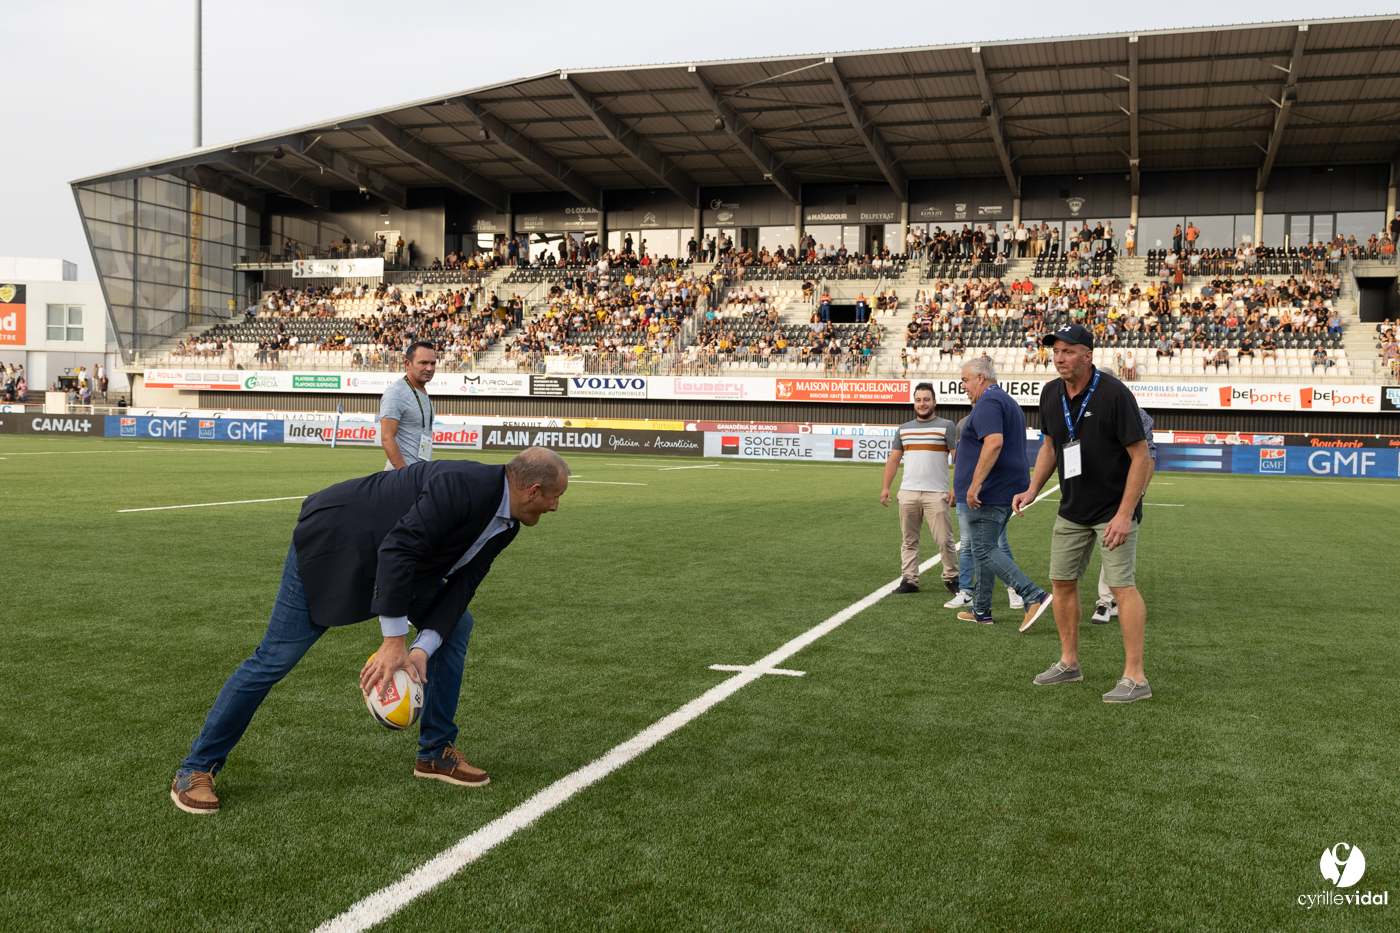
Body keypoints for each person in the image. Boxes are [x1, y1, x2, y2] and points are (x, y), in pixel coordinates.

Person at [169, 447, 571, 814]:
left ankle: (434, 752)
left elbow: (464, 584)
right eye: (555, 498)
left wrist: (421, 650)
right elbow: (398, 550)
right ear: (533, 490)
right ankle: (196, 768)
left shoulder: (508, 523)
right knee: (275, 658)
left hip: (395, 562)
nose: (556, 507)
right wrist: (394, 642)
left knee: (456, 626)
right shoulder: (461, 485)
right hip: (336, 541)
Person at [1013, 323, 1152, 703]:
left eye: (1069, 351)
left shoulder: (1114, 394)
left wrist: (1126, 513)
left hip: (1113, 510)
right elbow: (1050, 447)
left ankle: (1136, 677)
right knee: (1061, 583)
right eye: (1056, 350)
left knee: (1122, 588)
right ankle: (1069, 663)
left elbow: (1141, 457)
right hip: (1072, 509)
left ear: (1088, 355)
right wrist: (1032, 489)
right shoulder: (1050, 392)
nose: (1059, 357)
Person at [952, 358, 1053, 627]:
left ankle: (1034, 595)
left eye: (965, 379)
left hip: (991, 492)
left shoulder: (989, 402)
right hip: (1000, 489)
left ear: (981, 378)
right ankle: (981, 610)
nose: (963, 385)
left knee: (983, 550)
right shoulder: (1004, 401)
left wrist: (974, 485)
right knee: (984, 551)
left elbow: (994, 443)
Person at [881, 383, 960, 595]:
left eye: (926, 399)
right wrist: (886, 487)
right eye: (918, 400)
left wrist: (956, 488)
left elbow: (958, 458)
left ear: (935, 402)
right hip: (908, 492)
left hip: (937, 493)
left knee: (945, 539)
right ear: (914, 402)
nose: (922, 403)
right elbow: (894, 460)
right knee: (909, 540)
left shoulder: (947, 426)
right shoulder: (904, 428)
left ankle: (952, 577)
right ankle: (909, 580)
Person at [1092, 409, 1157, 623]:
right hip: (1088, 492)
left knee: (1113, 544)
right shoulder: (1078, 406)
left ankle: (1106, 602)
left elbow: (1149, 455)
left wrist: (1139, 493)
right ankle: (1107, 601)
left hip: (1122, 493)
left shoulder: (1138, 415)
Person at [381, 341, 436, 471]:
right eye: (423, 363)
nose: (429, 368)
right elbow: (386, 438)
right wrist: (406, 475)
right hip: (401, 476)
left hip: (420, 473)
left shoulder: (422, 391)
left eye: (432, 363)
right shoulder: (396, 392)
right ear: (408, 364)